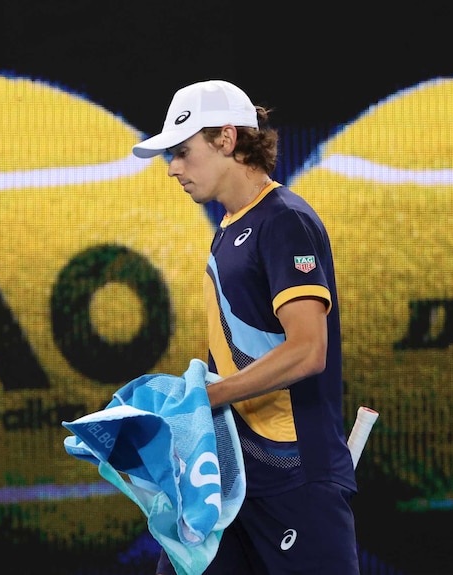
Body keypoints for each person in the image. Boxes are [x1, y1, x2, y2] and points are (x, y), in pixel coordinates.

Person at [132, 79, 360, 575]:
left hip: (296, 480)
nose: (172, 168)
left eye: (182, 152)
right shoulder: (229, 230)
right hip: (234, 485)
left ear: (227, 140)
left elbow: (307, 350)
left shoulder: (284, 222)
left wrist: (206, 399)